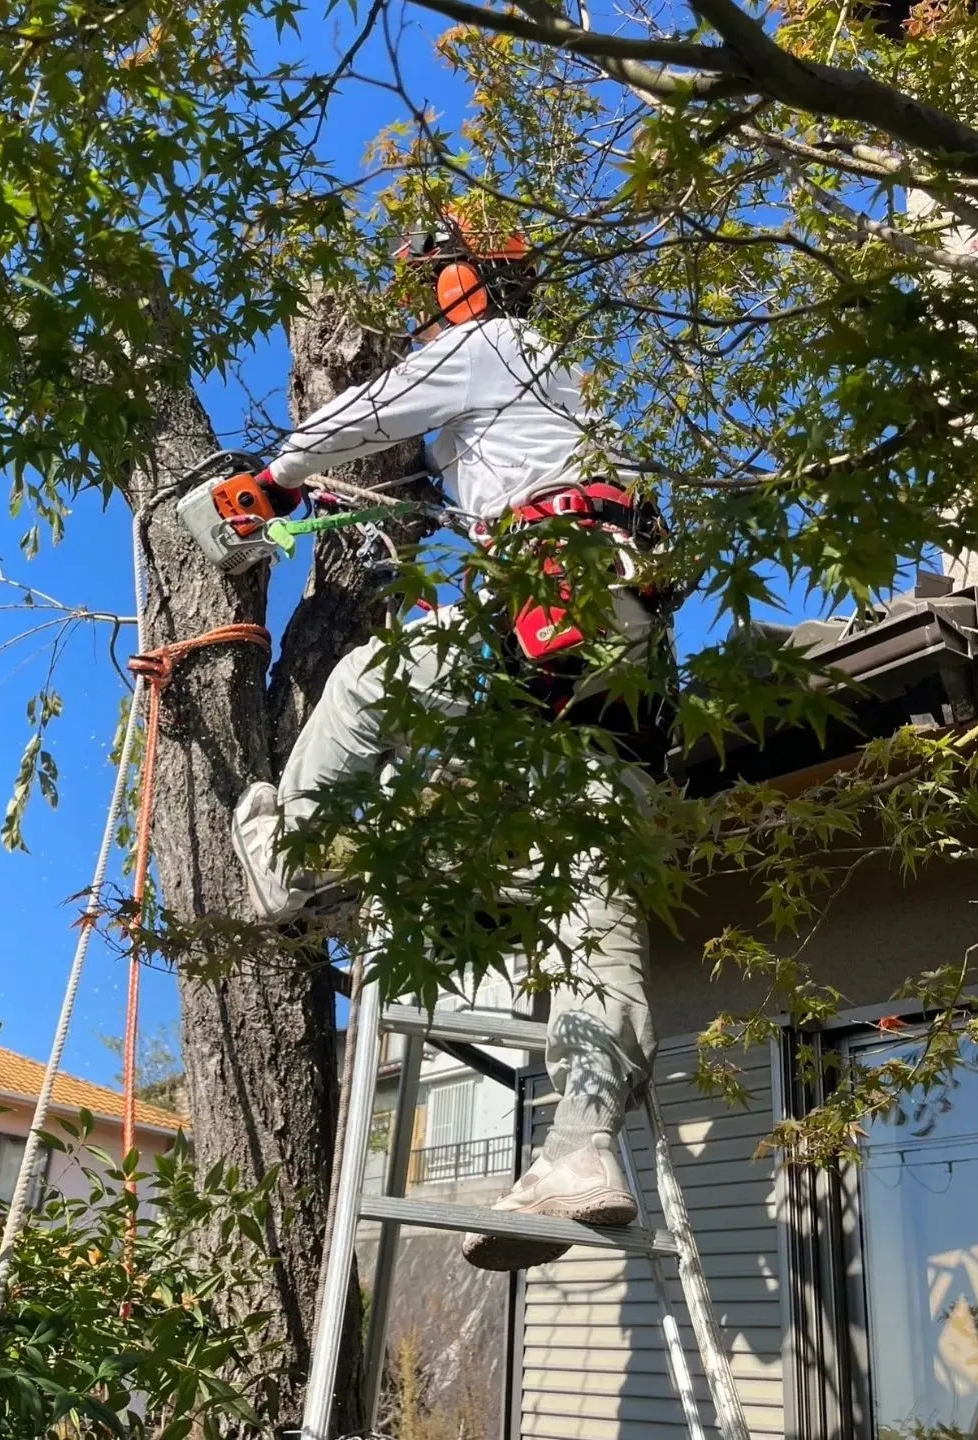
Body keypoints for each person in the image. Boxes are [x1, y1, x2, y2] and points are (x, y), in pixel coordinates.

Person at [225, 216, 665, 1271]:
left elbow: (364, 412)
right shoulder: (565, 388)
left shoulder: (490, 346)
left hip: (553, 592)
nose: (434, 298)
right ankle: (582, 1148)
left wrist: (279, 478)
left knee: (371, 682)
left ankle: (292, 856)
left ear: (473, 282)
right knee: (592, 876)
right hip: (632, 637)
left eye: (440, 279)